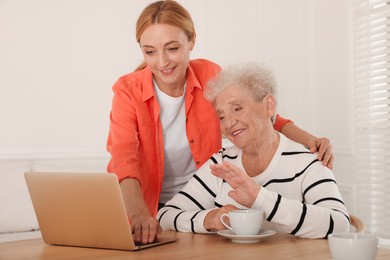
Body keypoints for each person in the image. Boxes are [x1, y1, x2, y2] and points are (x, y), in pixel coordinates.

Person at [106, 0, 334, 244]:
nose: (162, 62)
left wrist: (309, 140)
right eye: (150, 52)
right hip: (146, 207)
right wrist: (140, 214)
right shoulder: (127, 91)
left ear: (191, 41)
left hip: (202, 202)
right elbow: (124, 159)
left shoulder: (209, 74)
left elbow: (257, 112)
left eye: (172, 48)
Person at [157, 63, 350, 238]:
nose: (229, 123)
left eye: (237, 109)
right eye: (222, 116)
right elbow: (165, 215)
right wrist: (210, 219)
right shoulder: (221, 163)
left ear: (269, 106)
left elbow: (340, 224)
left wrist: (260, 198)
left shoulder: (308, 162)